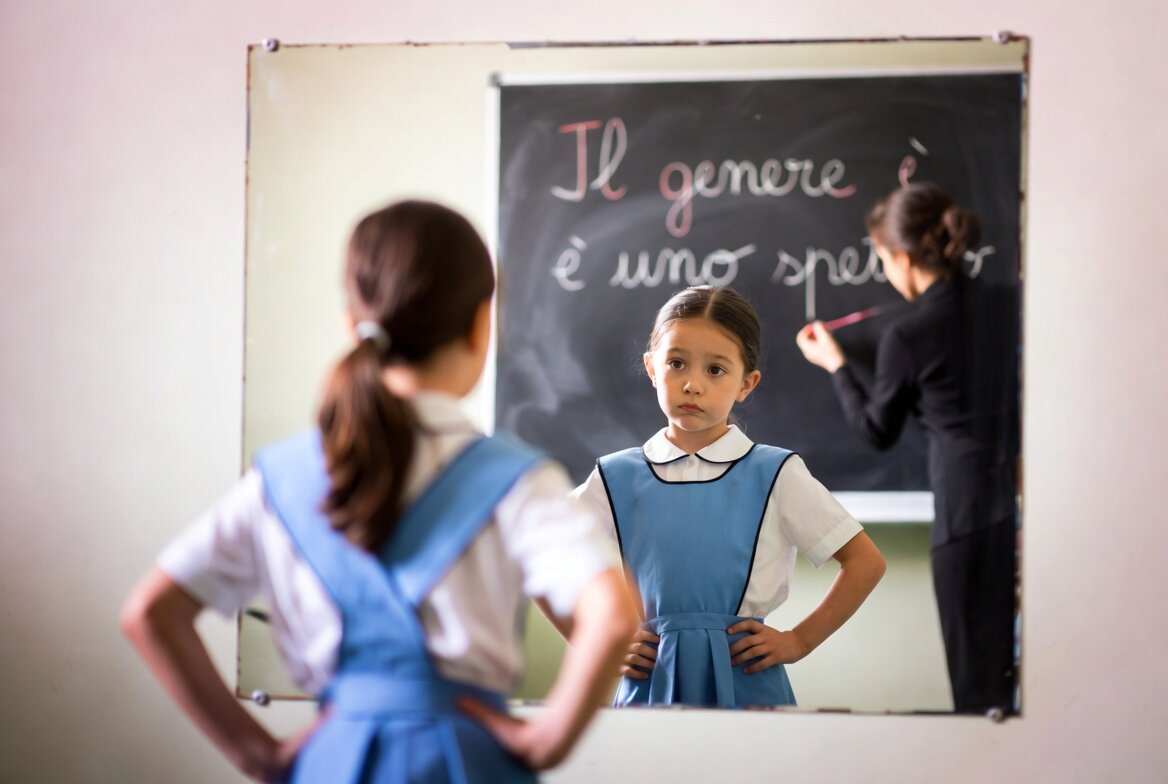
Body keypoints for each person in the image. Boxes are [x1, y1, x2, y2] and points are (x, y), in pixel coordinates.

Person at [120, 200, 638, 783]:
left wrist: (256, 755)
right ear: (479, 325)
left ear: (353, 323)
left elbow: (150, 613)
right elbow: (613, 615)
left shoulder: (281, 481)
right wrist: (546, 742)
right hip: (465, 765)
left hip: (330, 765)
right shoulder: (519, 480)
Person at [571, 285, 885, 709]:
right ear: (651, 368)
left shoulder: (775, 473)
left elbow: (865, 562)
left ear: (747, 383)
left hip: (749, 686)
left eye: (715, 370)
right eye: (676, 363)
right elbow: (536, 553)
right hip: (649, 686)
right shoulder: (616, 476)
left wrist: (799, 641)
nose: (692, 385)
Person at [795, 182, 1020, 714]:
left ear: (901, 256)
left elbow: (878, 432)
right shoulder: (1011, 303)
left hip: (965, 519)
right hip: (1027, 511)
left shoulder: (910, 334)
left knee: (977, 696)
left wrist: (837, 368)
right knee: (1035, 685)